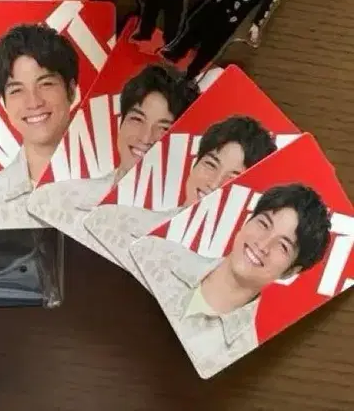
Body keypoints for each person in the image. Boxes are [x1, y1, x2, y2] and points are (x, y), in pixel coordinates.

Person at [131, 183, 331, 379]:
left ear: (290, 271)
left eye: (283, 246)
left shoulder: (240, 357)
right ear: (247, 221)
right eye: (264, 224)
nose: (262, 244)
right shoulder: (155, 254)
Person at [85, 115, 277, 276]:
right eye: (210, 165)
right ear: (195, 164)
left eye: (233, 179)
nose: (214, 183)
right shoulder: (120, 221)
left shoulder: (231, 276)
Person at [27, 64, 199, 232]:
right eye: (137, 119)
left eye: (164, 129)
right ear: (121, 123)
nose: (146, 137)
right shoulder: (60, 198)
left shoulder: (179, 228)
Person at [0, 24, 79, 229]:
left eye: (46, 84)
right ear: (4, 103)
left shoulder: (117, 184)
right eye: (16, 90)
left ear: (71, 90)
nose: (34, 102)